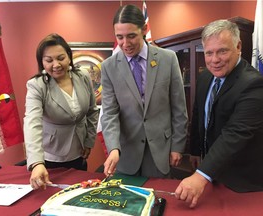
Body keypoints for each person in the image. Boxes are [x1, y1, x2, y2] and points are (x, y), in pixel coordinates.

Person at [175, 19, 263, 208]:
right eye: (209, 53)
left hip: (241, 182)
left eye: (222, 51)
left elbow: (235, 133)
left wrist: (200, 176)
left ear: (238, 46)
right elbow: (199, 114)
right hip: (213, 174)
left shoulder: (254, 84)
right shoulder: (206, 76)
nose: (214, 60)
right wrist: (196, 151)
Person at [100, 4, 188, 178]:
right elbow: (109, 113)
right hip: (126, 153)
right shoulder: (108, 67)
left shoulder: (167, 59)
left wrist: (177, 146)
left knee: (158, 200)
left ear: (144, 29)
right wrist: (113, 148)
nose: (125, 44)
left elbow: (179, 107)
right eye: (120, 37)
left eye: (131, 36)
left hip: (161, 151)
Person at [24, 33, 99, 189]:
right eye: (49, 60)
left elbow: (92, 111)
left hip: (79, 152)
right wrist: (37, 162)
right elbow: (32, 123)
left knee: (79, 195)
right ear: (42, 62)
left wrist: (89, 140)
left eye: (61, 58)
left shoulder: (83, 76)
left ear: (69, 57)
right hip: (51, 158)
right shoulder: (37, 85)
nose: (56, 64)